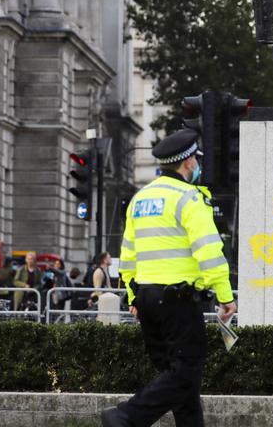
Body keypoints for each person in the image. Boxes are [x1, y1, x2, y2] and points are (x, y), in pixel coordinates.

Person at [101, 129, 236, 427]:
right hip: (178, 301)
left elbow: (128, 255)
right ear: (188, 162)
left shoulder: (140, 199)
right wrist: (225, 297)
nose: (197, 165)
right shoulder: (189, 198)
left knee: (181, 381)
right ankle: (126, 416)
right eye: (196, 159)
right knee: (185, 372)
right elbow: (210, 253)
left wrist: (134, 298)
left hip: (148, 300)